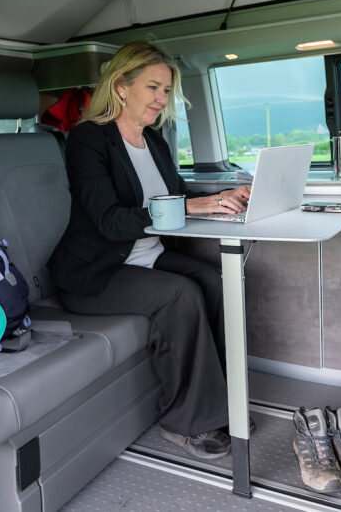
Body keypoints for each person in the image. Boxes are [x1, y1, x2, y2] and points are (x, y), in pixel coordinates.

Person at [47, 41, 251, 459]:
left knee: (214, 281)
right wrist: (189, 205)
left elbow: (174, 194)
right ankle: (186, 421)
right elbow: (109, 220)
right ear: (122, 86)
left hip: (145, 255)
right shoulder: (88, 140)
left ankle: (225, 400)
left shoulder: (153, 140)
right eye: (154, 88)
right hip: (96, 271)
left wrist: (219, 196)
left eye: (166, 91)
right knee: (181, 294)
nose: (162, 99)